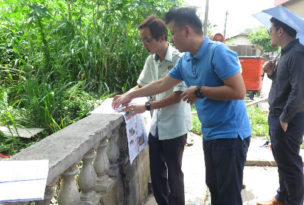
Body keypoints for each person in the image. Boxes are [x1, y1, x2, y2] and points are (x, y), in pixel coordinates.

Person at [113, 7, 251, 205]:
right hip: (210, 133)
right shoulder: (186, 60)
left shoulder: (217, 52)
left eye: (173, 32)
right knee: (214, 187)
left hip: (231, 135)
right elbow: (161, 83)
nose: (171, 38)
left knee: (228, 194)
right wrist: (130, 95)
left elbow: (239, 92)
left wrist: (200, 91)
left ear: (186, 30)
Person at [114, 15, 192, 205]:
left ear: (162, 38)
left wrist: (145, 106)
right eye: (142, 40)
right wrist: (124, 96)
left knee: (174, 174)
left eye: (147, 40)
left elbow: (176, 97)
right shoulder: (151, 60)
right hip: (157, 126)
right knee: (156, 174)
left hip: (175, 126)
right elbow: (141, 86)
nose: (144, 44)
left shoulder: (178, 59)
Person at [257, 17, 304, 205]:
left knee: (290, 165)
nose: (269, 34)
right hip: (279, 115)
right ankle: (281, 197)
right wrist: (271, 73)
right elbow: (285, 84)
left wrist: (284, 119)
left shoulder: (297, 54)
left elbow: (299, 90)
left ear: (280, 31)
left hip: (288, 118)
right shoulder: (286, 53)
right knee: (283, 161)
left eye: (271, 30)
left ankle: (294, 201)